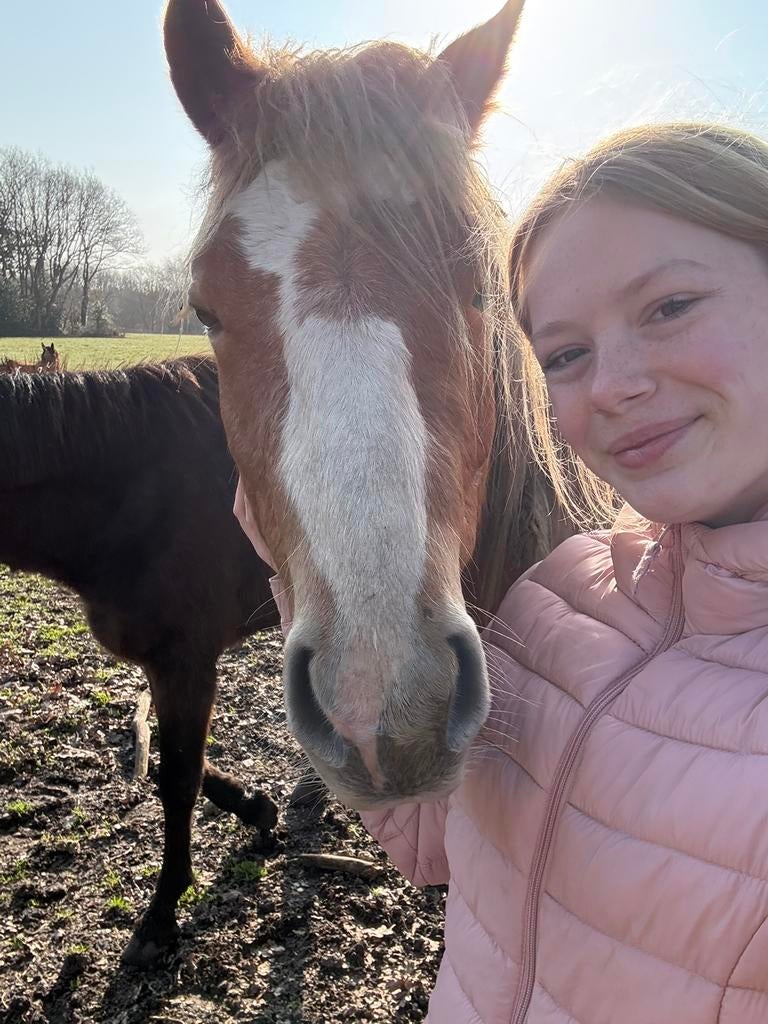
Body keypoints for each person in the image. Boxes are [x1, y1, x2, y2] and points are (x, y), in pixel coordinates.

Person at [234, 122, 768, 1023]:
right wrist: (305, 591)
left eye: (669, 306)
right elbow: (434, 844)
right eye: (565, 355)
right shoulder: (558, 599)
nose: (614, 385)